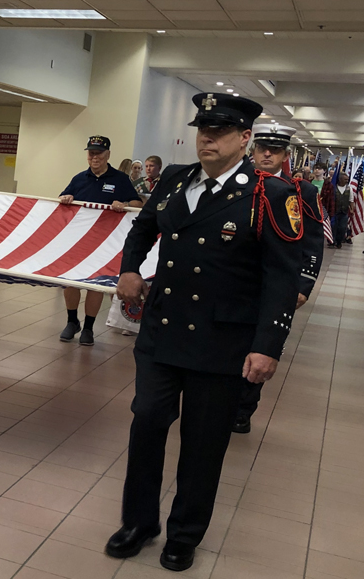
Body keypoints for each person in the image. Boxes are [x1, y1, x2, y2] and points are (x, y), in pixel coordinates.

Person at [106, 93, 302, 572]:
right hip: (162, 331)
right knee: (147, 421)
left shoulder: (269, 195)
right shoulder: (175, 179)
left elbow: (282, 277)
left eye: (219, 132)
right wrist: (130, 269)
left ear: (244, 139)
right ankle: (139, 521)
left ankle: (185, 533)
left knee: (203, 441)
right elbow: (142, 228)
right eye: (202, 130)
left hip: (221, 340)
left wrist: (267, 345)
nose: (207, 138)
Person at [232, 124, 324, 434]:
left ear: (285, 155)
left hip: (274, 285)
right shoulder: (236, 185)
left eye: (275, 149)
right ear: (253, 151)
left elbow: (311, 242)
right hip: (236, 282)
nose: (267, 153)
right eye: (262, 148)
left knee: (263, 344)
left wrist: (303, 285)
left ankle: (243, 408)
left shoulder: (301, 192)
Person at [59, 136, 141, 345]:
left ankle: (88, 327)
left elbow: (138, 203)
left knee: (95, 285)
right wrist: (66, 198)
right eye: (91, 153)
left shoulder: (120, 179)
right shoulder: (79, 178)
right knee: (70, 282)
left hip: (103, 242)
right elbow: (62, 197)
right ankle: (71, 321)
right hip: (76, 241)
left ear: (108, 155)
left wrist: (123, 203)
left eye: (99, 154)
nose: (94, 158)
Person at [334, 172, 352, 248]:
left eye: (347, 179)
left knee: (342, 227)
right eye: (345, 179)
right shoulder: (334, 187)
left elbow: (351, 200)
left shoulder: (349, 188)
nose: (347, 181)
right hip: (335, 211)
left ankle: (339, 241)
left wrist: (352, 209)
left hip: (344, 211)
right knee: (334, 227)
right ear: (340, 179)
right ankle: (333, 241)